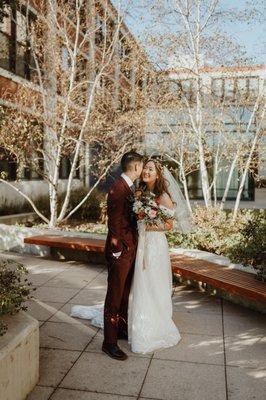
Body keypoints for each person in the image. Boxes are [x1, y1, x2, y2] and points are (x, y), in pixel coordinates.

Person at [71, 155, 193, 358]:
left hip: (150, 246)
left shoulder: (158, 195)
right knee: (120, 293)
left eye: (151, 169)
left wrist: (145, 221)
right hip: (130, 248)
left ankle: (125, 327)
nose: (146, 172)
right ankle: (110, 342)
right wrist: (121, 245)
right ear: (137, 167)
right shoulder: (130, 190)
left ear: (158, 173)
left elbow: (168, 224)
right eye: (145, 168)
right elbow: (116, 224)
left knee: (141, 287)